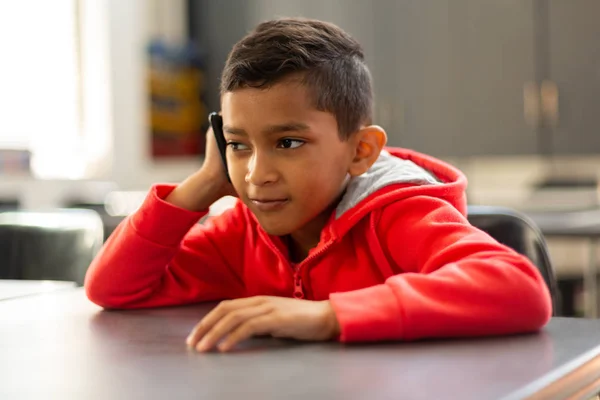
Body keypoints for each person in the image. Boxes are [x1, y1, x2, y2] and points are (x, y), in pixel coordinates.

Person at [85, 18, 552, 353]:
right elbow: (113, 289)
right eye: (238, 144)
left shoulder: (397, 214)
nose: (256, 174)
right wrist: (207, 181)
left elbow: (520, 289)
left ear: (360, 151)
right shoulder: (240, 234)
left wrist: (329, 315)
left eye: (288, 142)